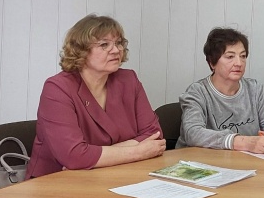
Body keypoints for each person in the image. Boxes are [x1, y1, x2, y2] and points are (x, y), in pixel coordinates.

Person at [26, 15, 165, 179]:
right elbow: (74, 156)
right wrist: (139, 152)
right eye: (104, 44)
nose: (116, 50)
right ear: (81, 51)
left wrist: (90, 157)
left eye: (118, 43)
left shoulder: (128, 80)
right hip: (56, 182)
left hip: (113, 176)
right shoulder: (57, 88)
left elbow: (154, 135)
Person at [177, 27, 264, 153]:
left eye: (243, 56)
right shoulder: (197, 92)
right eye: (230, 57)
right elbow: (193, 133)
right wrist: (242, 142)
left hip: (245, 161)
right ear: (212, 62)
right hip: (201, 161)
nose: (239, 63)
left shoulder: (254, 89)